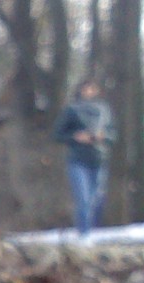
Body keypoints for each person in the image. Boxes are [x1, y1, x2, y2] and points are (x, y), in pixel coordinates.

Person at [54, 80, 113, 241]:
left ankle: (91, 232)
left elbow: (113, 134)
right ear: (80, 90)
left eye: (92, 88)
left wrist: (103, 136)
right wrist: (75, 137)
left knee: (96, 200)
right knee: (83, 199)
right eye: (86, 88)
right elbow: (57, 134)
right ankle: (84, 234)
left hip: (98, 160)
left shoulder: (104, 110)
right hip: (77, 161)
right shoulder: (72, 110)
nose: (89, 91)